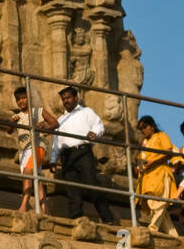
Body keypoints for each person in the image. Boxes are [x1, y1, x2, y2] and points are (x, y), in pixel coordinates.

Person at [51, 85, 115, 225]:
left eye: (68, 98)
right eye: (63, 99)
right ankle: (76, 217)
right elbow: (56, 141)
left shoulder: (86, 112)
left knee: (91, 183)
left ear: (76, 98)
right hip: (66, 155)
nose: (66, 101)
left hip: (83, 151)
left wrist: (94, 133)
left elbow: (99, 126)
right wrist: (53, 159)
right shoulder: (60, 119)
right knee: (71, 187)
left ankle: (107, 217)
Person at [10, 85, 58, 213]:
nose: (21, 101)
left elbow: (55, 123)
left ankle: (23, 205)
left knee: (27, 174)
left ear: (29, 98)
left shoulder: (39, 111)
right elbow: (9, 131)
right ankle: (44, 209)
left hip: (37, 147)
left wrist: (44, 127)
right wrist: (12, 124)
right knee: (36, 180)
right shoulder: (17, 116)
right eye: (18, 99)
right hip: (24, 151)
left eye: (24, 98)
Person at [136, 115, 184, 236]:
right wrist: (139, 166)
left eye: (144, 127)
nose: (143, 130)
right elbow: (140, 159)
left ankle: (152, 228)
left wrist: (154, 161)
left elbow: (168, 152)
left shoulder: (161, 136)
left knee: (159, 202)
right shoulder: (144, 142)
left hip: (161, 173)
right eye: (140, 128)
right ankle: (174, 235)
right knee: (152, 202)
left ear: (152, 126)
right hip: (147, 176)